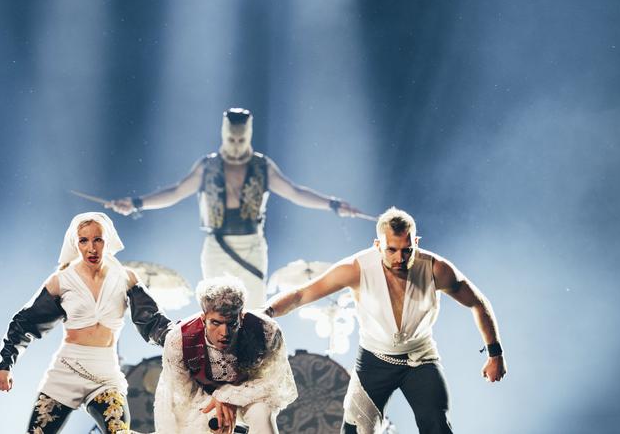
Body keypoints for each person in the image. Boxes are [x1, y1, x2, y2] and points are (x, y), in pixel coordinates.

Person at [263, 207, 507, 434]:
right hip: (374, 361)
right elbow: (302, 294)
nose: (400, 257)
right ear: (378, 244)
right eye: (391, 250)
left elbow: (478, 302)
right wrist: (267, 312)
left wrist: (495, 354)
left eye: (407, 250)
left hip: (420, 359)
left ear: (416, 243)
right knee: (354, 430)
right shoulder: (356, 268)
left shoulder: (436, 269)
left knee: (437, 425)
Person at [108, 108, 367, 308]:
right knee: (214, 306)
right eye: (231, 138)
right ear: (223, 135)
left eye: (240, 139)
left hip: (252, 245)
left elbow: (296, 192)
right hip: (216, 246)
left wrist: (333, 205)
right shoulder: (207, 167)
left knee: (254, 309)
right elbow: (175, 192)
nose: (235, 144)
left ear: (248, 137)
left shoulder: (262, 166)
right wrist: (136, 203)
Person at [0, 212, 170, 434]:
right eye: (84, 241)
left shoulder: (126, 278)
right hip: (66, 372)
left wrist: (179, 339)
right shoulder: (61, 280)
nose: (92, 248)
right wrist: (5, 366)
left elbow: (153, 321)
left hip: (105, 375)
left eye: (98, 239)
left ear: (108, 240)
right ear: (75, 244)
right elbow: (24, 324)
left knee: (119, 432)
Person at [154, 276, 297, 434]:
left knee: (262, 413)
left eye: (232, 324)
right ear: (203, 319)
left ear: (241, 317)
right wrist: (215, 411)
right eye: (215, 323)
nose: (224, 333)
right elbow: (181, 398)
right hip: (201, 400)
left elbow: (273, 381)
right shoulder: (178, 340)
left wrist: (229, 396)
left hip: (252, 394)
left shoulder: (266, 330)